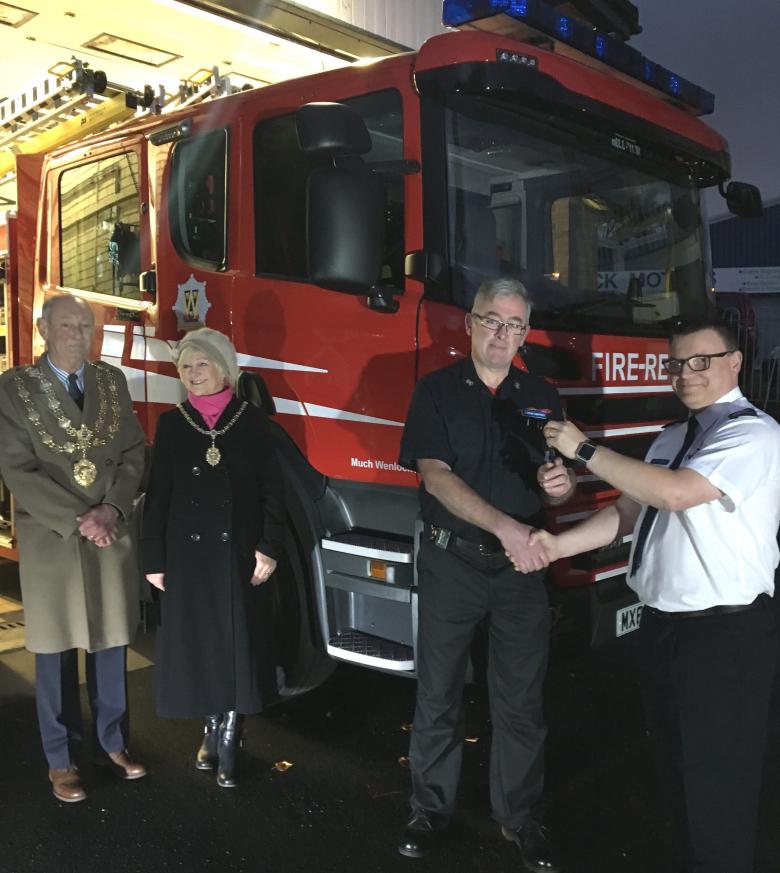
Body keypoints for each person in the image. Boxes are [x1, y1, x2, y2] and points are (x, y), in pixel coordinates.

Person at [535, 318, 780, 873]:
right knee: (673, 769)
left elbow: (672, 495)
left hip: (726, 635)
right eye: (676, 363)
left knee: (718, 786)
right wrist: (557, 545)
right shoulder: (673, 436)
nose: (686, 374)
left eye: (702, 360)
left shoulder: (754, 434)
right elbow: (628, 510)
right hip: (665, 628)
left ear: (735, 362)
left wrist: (586, 449)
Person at [397, 278, 575, 870]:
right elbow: (436, 476)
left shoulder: (543, 395)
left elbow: (557, 471)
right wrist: (508, 527)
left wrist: (562, 484)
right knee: (439, 692)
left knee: (521, 701)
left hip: (521, 569)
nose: (503, 334)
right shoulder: (436, 392)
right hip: (454, 563)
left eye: (515, 325)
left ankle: (520, 817)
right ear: (470, 324)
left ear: (525, 332)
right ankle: (429, 808)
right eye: (492, 321)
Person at [0, 293, 147, 803]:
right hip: (54, 535)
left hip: (109, 530)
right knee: (55, 648)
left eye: (84, 325)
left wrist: (112, 510)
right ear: (43, 329)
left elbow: (132, 451)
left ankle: (114, 743)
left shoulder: (111, 381)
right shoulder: (15, 387)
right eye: (65, 325)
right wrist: (78, 518)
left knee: (110, 644)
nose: (76, 333)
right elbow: (17, 467)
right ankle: (60, 759)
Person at [141, 327, 284, 788]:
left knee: (233, 640)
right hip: (187, 555)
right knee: (199, 641)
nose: (192, 373)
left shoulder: (253, 421)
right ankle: (210, 725)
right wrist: (153, 557)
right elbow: (158, 493)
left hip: (238, 552)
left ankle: (231, 729)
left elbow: (273, 493)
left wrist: (269, 546)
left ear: (224, 368)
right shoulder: (171, 423)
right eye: (185, 366)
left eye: (201, 363)